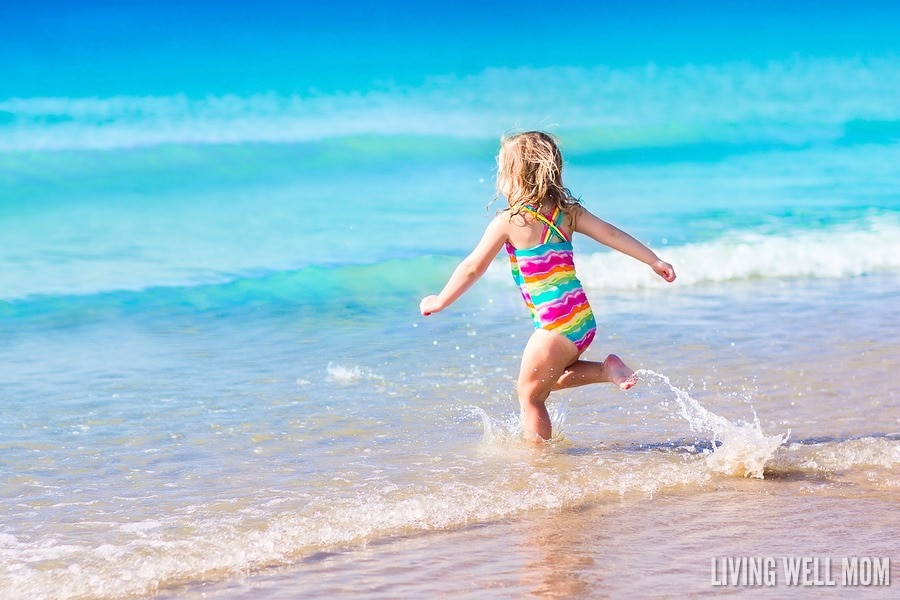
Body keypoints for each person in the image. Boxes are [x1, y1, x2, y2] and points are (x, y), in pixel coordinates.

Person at [420, 131, 676, 441]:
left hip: (555, 325)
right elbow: (611, 234)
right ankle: (605, 369)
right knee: (545, 382)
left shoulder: (510, 221)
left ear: (514, 176)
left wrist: (440, 300)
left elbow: (473, 267)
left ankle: (538, 463)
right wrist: (653, 260)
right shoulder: (568, 213)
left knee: (530, 397)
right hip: (581, 319)